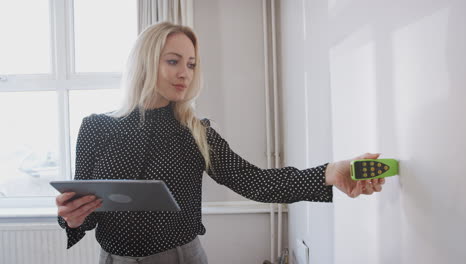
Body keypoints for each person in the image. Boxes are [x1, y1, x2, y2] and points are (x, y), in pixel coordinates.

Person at [55, 22, 385, 264]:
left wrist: (329, 172)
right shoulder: (95, 128)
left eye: (191, 64)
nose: (185, 72)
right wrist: (72, 217)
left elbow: (256, 182)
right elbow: (86, 209)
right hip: (112, 259)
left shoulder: (196, 132)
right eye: (173, 61)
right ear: (145, 61)